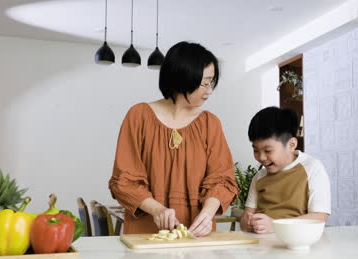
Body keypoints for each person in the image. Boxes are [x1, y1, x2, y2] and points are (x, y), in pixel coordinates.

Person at [109, 41, 238, 237]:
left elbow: (222, 180)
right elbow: (124, 181)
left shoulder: (210, 124)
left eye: (212, 82)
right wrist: (157, 210)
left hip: (197, 236)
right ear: (182, 78)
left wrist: (208, 212)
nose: (209, 91)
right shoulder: (139, 116)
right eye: (204, 83)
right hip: (145, 234)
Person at [240, 106, 331, 234]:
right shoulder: (260, 176)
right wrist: (248, 223)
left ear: (291, 145)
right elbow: (246, 218)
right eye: (255, 150)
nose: (261, 157)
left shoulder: (312, 168)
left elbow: (320, 217)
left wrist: (275, 225)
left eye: (268, 150)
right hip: (262, 246)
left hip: (297, 242)